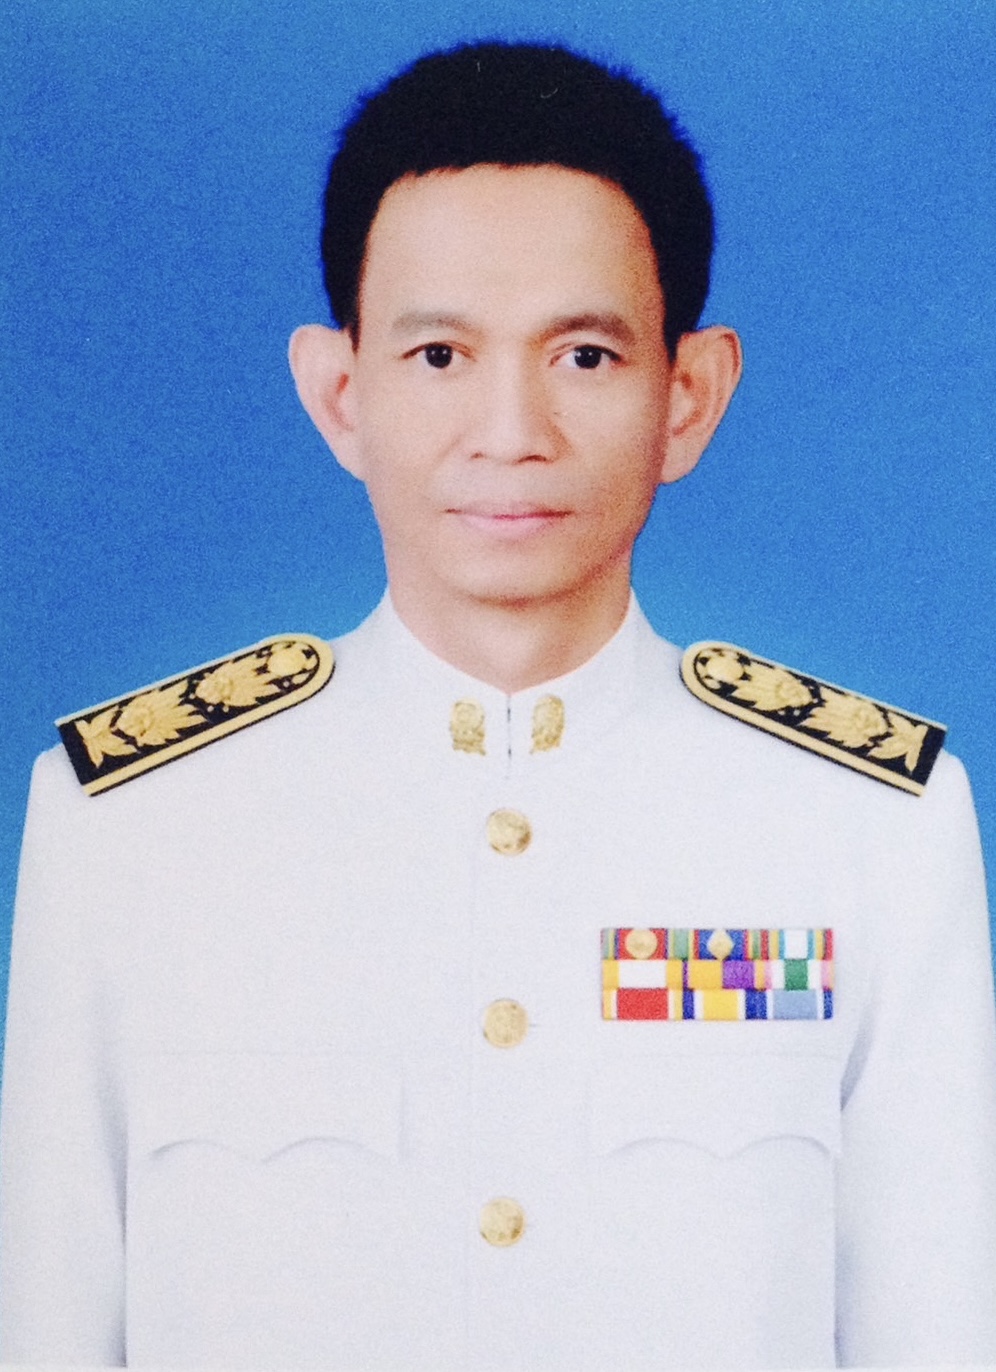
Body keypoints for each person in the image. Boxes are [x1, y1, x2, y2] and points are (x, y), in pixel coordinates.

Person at [2, 39, 994, 1370]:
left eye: (584, 355)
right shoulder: (132, 825)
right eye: (438, 355)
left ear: (688, 396)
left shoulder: (865, 827)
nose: (511, 430)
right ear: (339, 393)